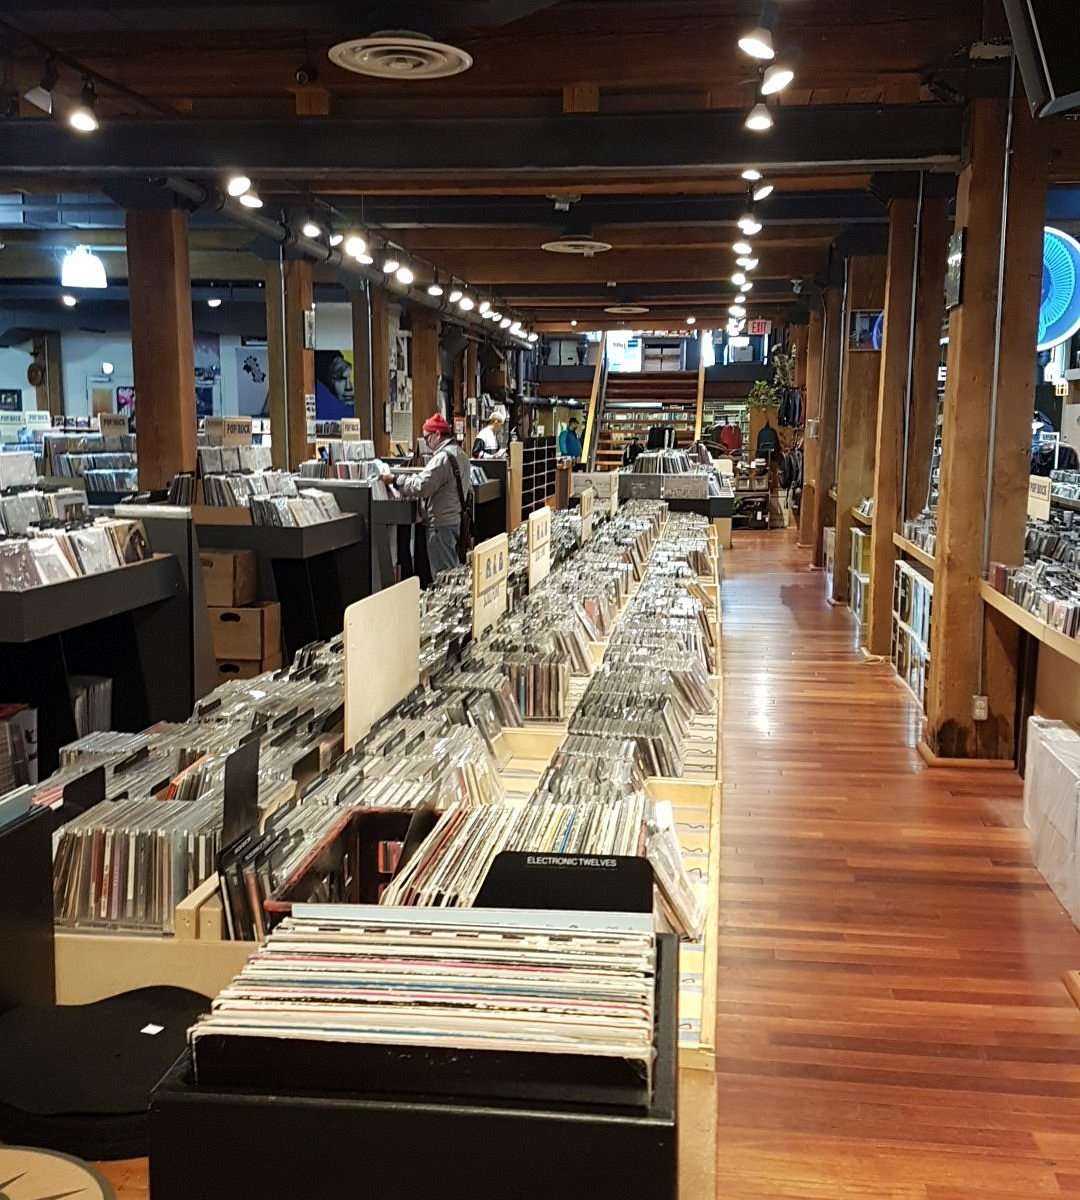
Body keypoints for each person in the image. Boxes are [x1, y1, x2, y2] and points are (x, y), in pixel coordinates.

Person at [382, 413, 473, 580]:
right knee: (453, 570)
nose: (426, 442)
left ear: (437, 434)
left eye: (426, 437)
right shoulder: (461, 454)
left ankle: (447, 605)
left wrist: (396, 480)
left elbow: (421, 486)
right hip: (455, 519)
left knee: (444, 576)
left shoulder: (442, 458)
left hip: (440, 525)